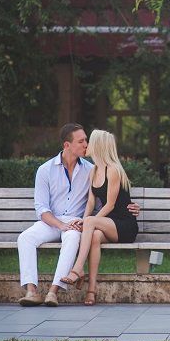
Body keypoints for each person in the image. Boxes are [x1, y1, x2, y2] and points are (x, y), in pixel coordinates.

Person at [16, 123, 139, 307]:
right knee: (25, 238)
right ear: (67, 145)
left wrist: (131, 206)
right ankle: (31, 291)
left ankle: (53, 291)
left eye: (87, 141)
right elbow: (41, 208)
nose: (85, 144)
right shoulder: (45, 170)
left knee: (73, 238)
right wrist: (60, 224)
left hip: (78, 223)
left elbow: (107, 201)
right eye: (81, 141)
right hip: (53, 221)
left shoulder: (90, 168)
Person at [59, 129, 138, 306]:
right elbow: (90, 203)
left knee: (91, 223)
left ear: (99, 146)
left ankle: (78, 268)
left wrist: (89, 220)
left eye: (90, 141)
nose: (87, 145)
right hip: (108, 223)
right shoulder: (94, 171)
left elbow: (110, 205)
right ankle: (91, 290)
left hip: (124, 224)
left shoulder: (114, 170)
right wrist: (84, 219)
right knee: (94, 236)